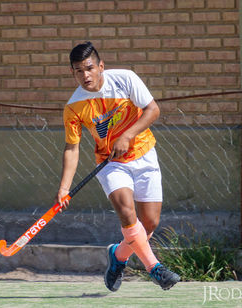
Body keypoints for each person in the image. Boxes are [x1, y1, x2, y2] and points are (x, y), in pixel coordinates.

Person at [55, 42, 180, 291]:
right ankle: (155, 269)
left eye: (89, 68)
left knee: (150, 224)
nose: (85, 75)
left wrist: (127, 136)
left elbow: (153, 110)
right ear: (72, 73)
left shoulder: (125, 79)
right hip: (110, 163)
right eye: (78, 71)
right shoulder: (73, 106)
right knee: (126, 213)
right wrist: (64, 188)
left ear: (101, 66)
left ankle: (118, 255)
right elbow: (72, 147)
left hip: (144, 155)